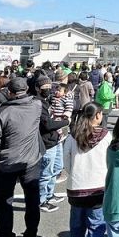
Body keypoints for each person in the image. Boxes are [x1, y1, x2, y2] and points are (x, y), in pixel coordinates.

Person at [0, 77, 44, 237]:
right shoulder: (36, 107)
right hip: (31, 160)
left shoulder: (4, 112)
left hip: (6, 162)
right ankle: (30, 236)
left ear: (9, 92)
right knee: (32, 200)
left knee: (4, 203)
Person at [63, 102, 112, 237]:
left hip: (76, 187)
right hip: (98, 188)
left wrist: (75, 174)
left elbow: (66, 162)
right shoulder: (106, 136)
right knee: (96, 229)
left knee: (77, 223)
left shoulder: (72, 136)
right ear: (98, 115)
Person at [37, 77, 69, 212]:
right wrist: (65, 122)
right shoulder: (38, 103)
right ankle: (41, 200)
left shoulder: (48, 100)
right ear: (38, 89)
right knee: (46, 172)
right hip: (47, 141)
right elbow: (47, 124)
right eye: (45, 88)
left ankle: (50, 195)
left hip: (56, 139)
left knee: (57, 168)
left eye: (50, 87)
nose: (49, 90)